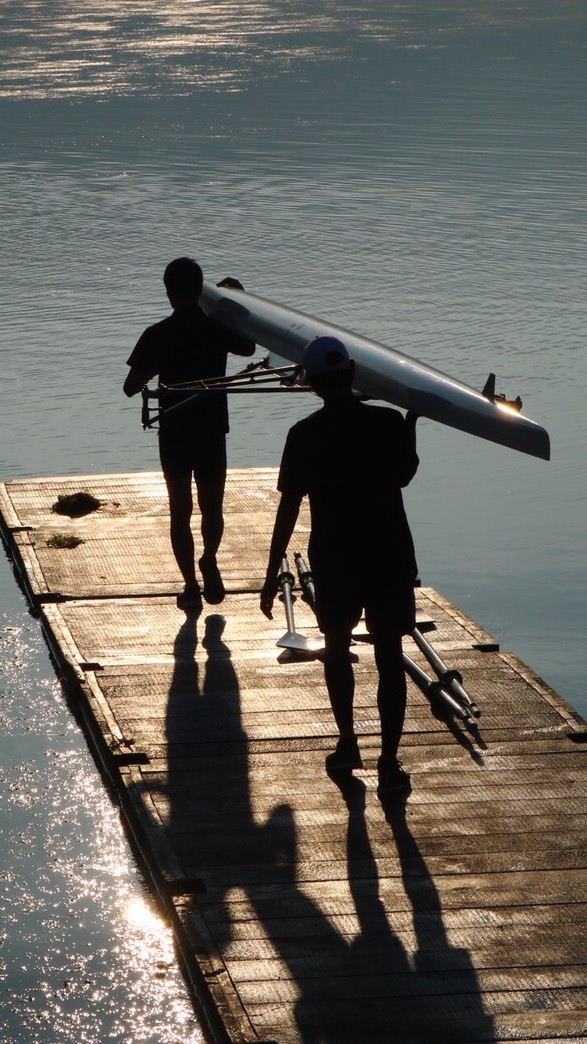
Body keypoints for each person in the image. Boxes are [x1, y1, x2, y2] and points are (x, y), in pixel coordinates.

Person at [260, 336, 419, 797]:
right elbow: (404, 474)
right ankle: (389, 761)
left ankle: (349, 742)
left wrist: (272, 571)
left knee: (336, 646)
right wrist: (411, 422)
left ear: (310, 383)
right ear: (353, 373)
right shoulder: (387, 422)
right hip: (388, 553)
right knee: (389, 653)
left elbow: (288, 506)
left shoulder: (304, 434)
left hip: (336, 557)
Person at [124, 257, 255, 609]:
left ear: (168, 292)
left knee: (179, 512)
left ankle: (190, 586)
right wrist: (232, 305)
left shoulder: (157, 334)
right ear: (200, 292)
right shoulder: (215, 329)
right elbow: (249, 347)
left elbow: (130, 387)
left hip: (175, 432)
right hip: (212, 430)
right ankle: (210, 556)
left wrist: (157, 364)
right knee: (212, 507)